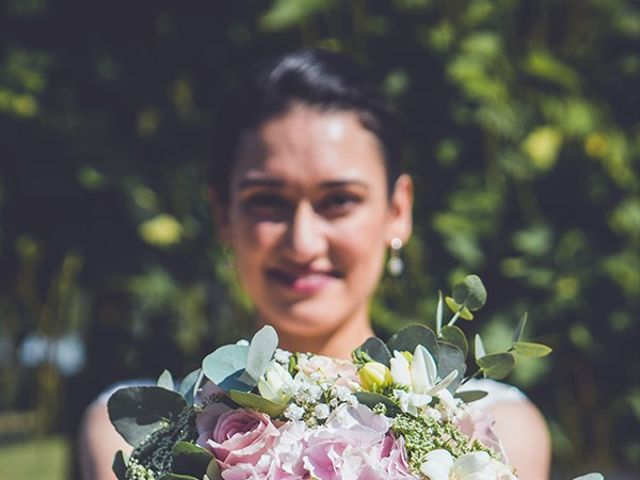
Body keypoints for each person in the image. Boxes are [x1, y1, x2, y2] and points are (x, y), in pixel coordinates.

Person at [79, 48, 551, 479]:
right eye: (267, 201)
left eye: (339, 200)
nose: (303, 242)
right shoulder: (136, 434)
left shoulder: (497, 433)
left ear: (398, 210)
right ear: (224, 215)